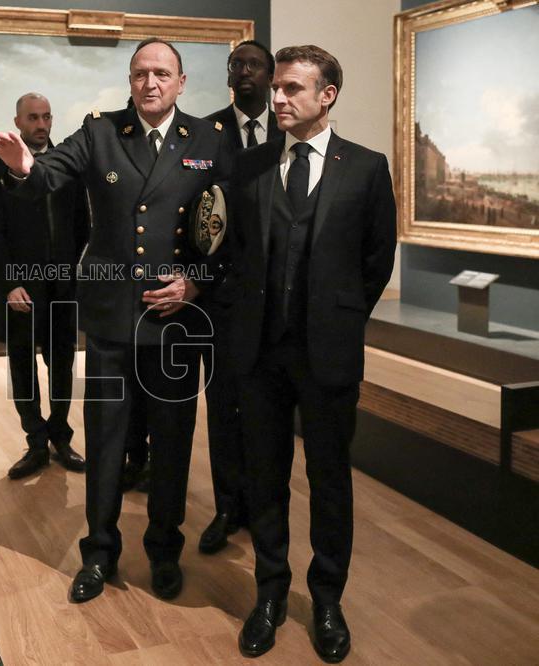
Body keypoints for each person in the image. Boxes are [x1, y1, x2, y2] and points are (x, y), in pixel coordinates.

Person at [0, 38, 222, 603]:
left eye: (162, 73)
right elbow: (50, 173)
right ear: (130, 81)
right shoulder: (101, 133)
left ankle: (164, 552)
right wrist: (23, 166)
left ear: (181, 82)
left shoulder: (209, 141)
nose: (151, 83)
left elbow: (230, 232)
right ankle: (100, 554)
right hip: (113, 323)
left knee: (172, 442)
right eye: (140, 74)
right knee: (108, 443)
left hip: (176, 326)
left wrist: (195, 284)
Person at [226, 45, 396, 662]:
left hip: (327, 353)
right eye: (275, 88)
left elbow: (377, 260)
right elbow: (237, 254)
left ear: (327, 96)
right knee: (265, 476)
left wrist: (339, 317)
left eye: (292, 88)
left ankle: (327, 598)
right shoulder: (248, 168)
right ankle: (269, 593)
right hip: (259, 352)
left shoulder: (367, 169)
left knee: (329, 479)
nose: (277, 98)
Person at [197, 40, 285, 555]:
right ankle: (229, 504)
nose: (243, 71)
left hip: (275, 298)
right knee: (224, 402)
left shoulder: (290, 132)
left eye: (253, 64)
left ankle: (264, 504)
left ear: (270, 77)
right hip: (221, 296)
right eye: (236, 65)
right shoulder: (207, 133)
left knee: (267, 408)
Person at [0, 93, 90, 479]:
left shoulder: (68, 167)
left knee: (63, 364)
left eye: (46, 117)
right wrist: (10, 284)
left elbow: (81, 225)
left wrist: (72, 270)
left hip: (62, 286)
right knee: (22, 365)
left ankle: (61, 436)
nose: (41, 124)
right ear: (18, 121)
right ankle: (35, 443)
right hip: (21, 289)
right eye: (32, 118)